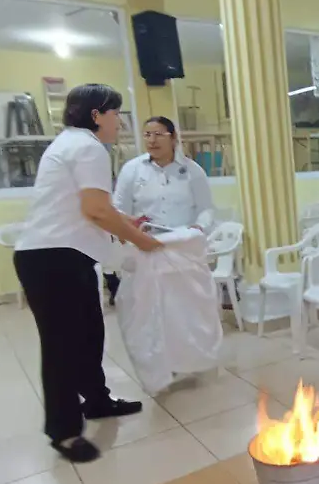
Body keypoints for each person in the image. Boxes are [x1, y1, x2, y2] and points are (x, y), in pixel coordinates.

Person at [13, 84, 163, 463]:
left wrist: (126, 222)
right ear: (97, 115)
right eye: (116, 113)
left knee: (89, 333)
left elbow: (88, 206)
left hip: (62, 255)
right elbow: (95, 210)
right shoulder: (88, 147)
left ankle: (96, 401)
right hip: (52, 259)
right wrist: (141, 242)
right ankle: (63, 432)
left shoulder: (71, 144)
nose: (120, 122)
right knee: (62, 346)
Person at [106, 116, 215, 304]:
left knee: (185, 307)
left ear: (173, 138)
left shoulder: (193, 171)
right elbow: (118, 209)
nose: (152, 140)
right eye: (147, 135)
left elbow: (207, 209)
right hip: (145, 248)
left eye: (158, 134)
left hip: (182, 250)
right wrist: (129, 230)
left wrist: (198, 227)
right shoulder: (132, 170)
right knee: (148, 308)